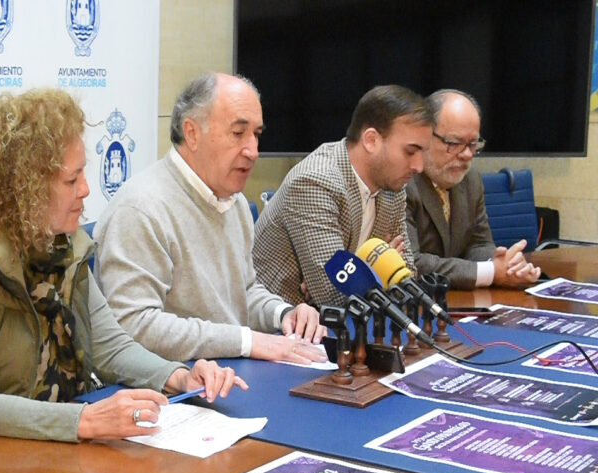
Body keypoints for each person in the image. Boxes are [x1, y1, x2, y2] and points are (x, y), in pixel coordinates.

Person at [0, 89, 246, 444]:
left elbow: (110, 347)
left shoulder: (61, 246)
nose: (86, 189)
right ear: (23, 189)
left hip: (43, 443)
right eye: (72, 179)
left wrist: (178, 376)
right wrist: (85, 421)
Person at [93, 72, 325, 364]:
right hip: (170, 383)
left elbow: (243, 293)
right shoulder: (140, 209)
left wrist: (283, 314)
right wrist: (247, 341)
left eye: (256, 135)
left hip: (229, 371)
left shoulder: (236, 203)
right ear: (192, 133)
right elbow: (133, 325)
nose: (253, 151)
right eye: (238, 133)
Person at [252, 85, 433, 308]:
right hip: (278, 320)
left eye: (422, 153)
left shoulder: (392, 185)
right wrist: (377, 268)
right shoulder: (314, 181)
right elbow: (334, 296)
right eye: (410, 152)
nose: (419, 166)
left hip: (343, 321)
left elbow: (406, 277)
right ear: (371, 140)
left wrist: (361, 272)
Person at [406, 89, 541, 289]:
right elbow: (411, 263)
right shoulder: (402, 182)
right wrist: (490, 272)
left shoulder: (471, 180)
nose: (467, 155)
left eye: (473, 144)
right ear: (424, 135)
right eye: (455, 143)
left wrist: (507, 265)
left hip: (459, 299)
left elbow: (479, 244)